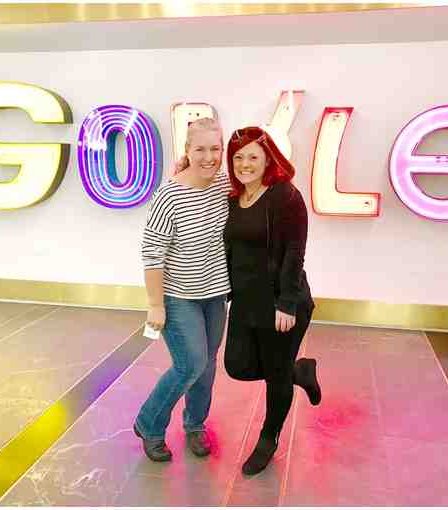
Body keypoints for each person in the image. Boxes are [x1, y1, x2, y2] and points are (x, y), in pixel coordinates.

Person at [223, 126, 321, 476]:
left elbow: (295, 252)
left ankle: (269, 437)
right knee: (237, 366)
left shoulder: (285, 196)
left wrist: (287, 303)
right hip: (245, 302)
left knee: (275, 378)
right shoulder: (234, 197)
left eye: (253, 156)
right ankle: (298, 371)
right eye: (237, 157)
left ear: (268, 159)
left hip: (280, 303)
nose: (244, 163)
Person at [134, 118, 230, 462]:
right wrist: (155, 304)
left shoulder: (224, 183)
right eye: (200, 149)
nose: (209, 157)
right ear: (187, 150)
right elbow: (152, 253)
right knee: (190, 364)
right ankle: (149, 424)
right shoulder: (169, 195)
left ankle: (195, 424)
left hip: (215, 295)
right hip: (178, 297)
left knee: (207, 365)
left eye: (215, 148)